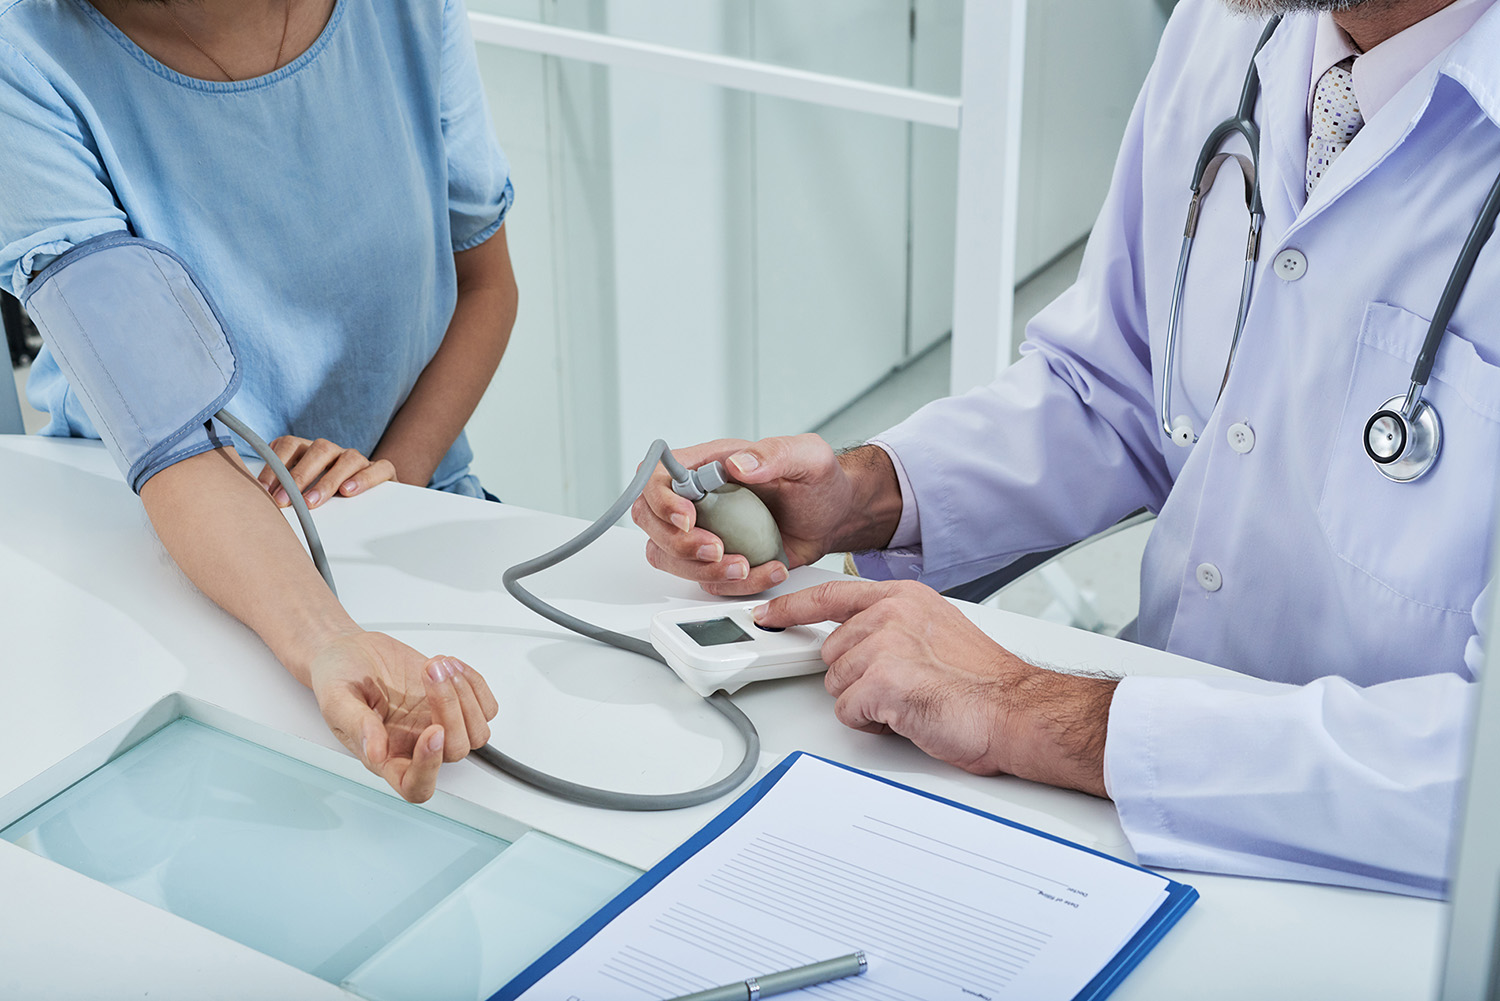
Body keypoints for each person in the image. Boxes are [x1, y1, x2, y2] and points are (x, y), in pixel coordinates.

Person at [634, 0, 1500, 896]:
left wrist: (1039, 710)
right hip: (1115, 813)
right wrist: (867, 492)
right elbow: (1118, 389)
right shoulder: (1231, 28)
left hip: (1382, 893)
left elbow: (1479, 776)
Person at [1, 0, 518, 801]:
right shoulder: (24, 54)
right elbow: (168, 439)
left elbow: (487, 285)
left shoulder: (409, 16)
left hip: (409, 517)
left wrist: (384, 478)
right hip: (161, 557)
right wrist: (326, 640)